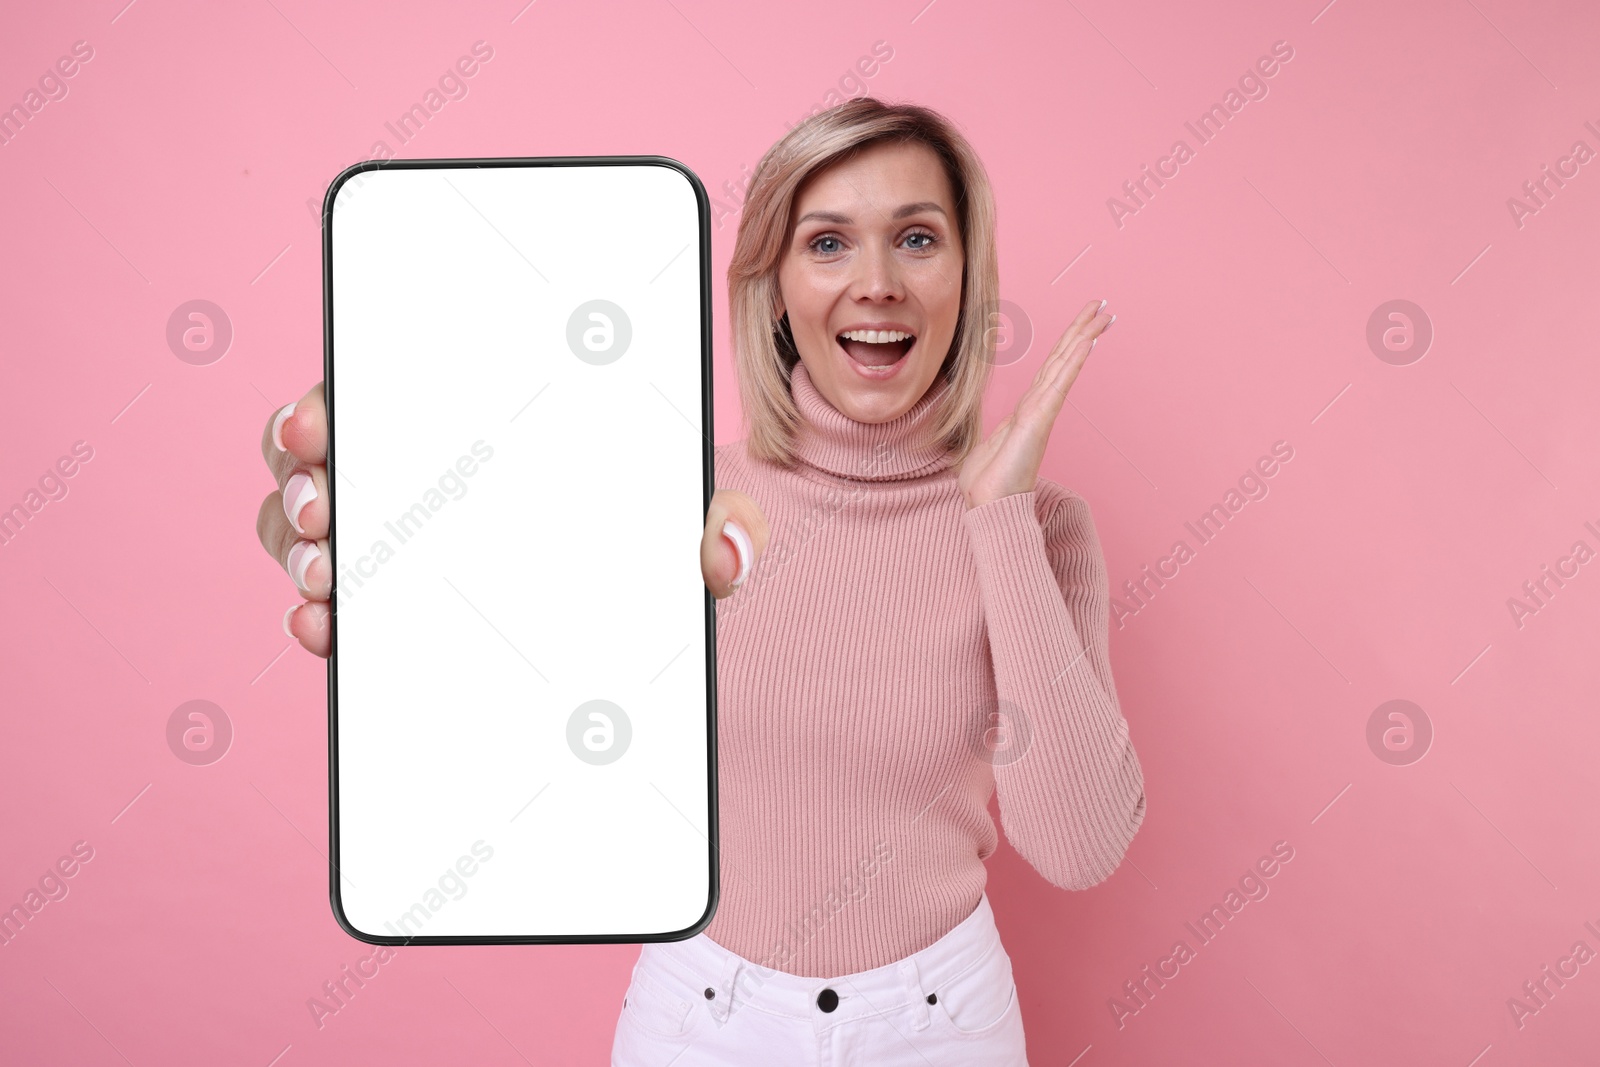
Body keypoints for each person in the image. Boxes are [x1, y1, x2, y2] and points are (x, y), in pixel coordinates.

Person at [256, 97, 1145, 1067]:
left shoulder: (1035, 526)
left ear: (968, 277)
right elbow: (524, 717)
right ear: (770, 287)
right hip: (701, 1015)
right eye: (828, 242)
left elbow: (1080, 846)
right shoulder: (679, 502)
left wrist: (995, 520)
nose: (878, 283)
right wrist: (398, 565)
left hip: (944, 1021)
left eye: (919, 238)